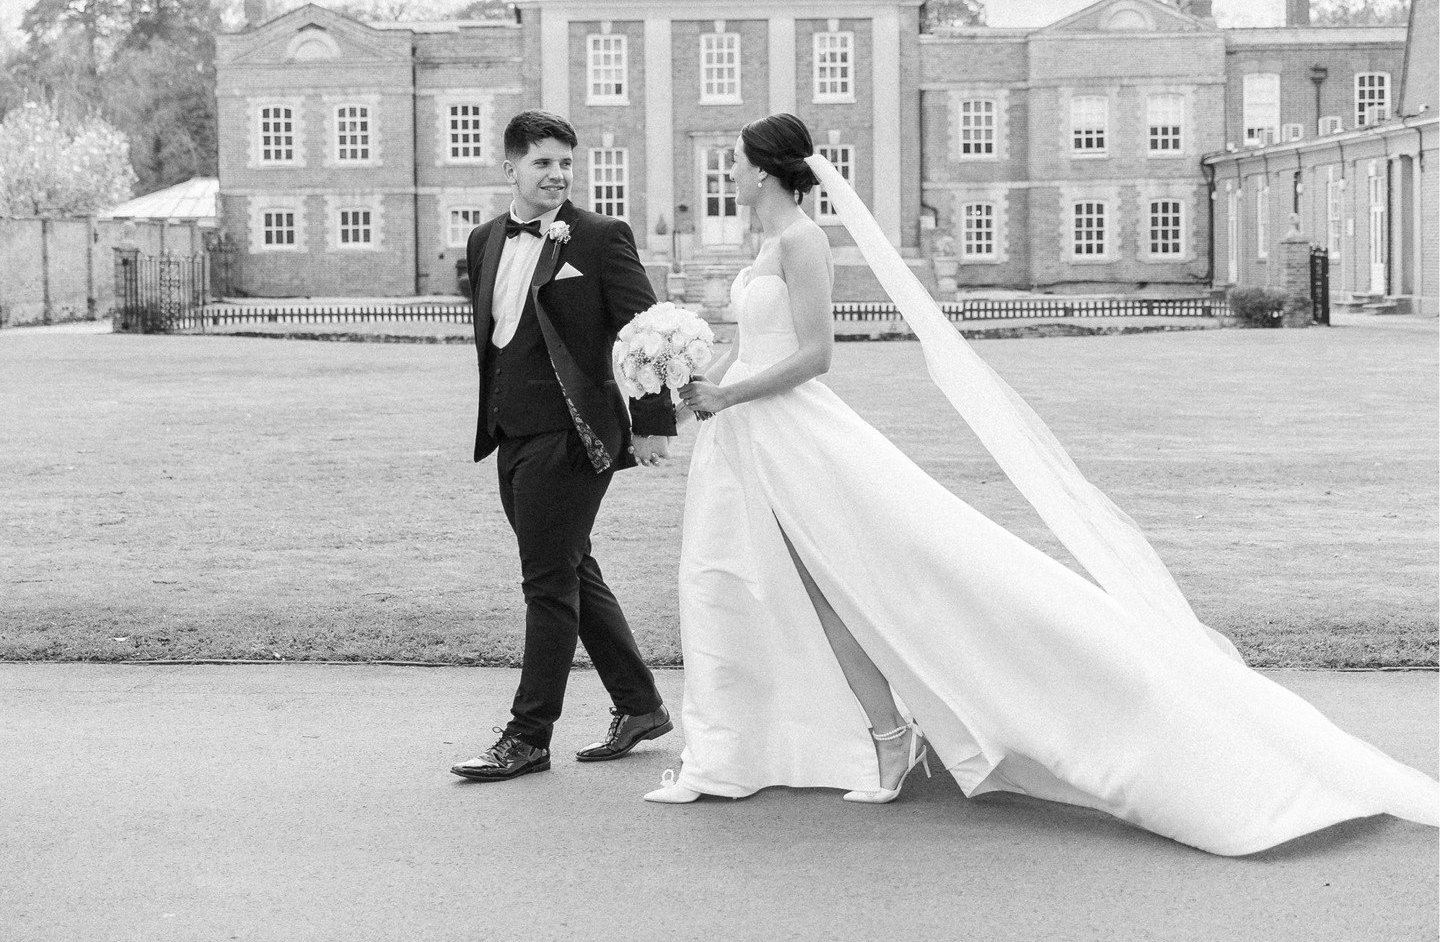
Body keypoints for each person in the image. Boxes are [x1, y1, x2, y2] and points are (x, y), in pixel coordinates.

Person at [651, 112, 1440, 856]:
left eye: (741, 160)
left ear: (763, 169)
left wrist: (729, 393)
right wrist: (698, 380)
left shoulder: (803, 243)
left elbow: (817, 355)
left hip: (798, 437)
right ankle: (802, 740)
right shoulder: (764, 246)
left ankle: (897, 737)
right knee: (784, 589)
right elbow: (752, 345)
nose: (734, 170)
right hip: (750, 441)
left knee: (863, 582)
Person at [451, 110, 676, 783]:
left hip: (576, 432)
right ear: (510, 167)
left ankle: (528, 735)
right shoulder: (484, 240)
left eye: (565, 164)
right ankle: (639, 705)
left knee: (546, 581)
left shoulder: (601, 238)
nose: (557, 175)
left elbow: (650, 330)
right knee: (571, 567)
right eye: (543, 163)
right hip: (511, 431)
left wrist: (653, 422)